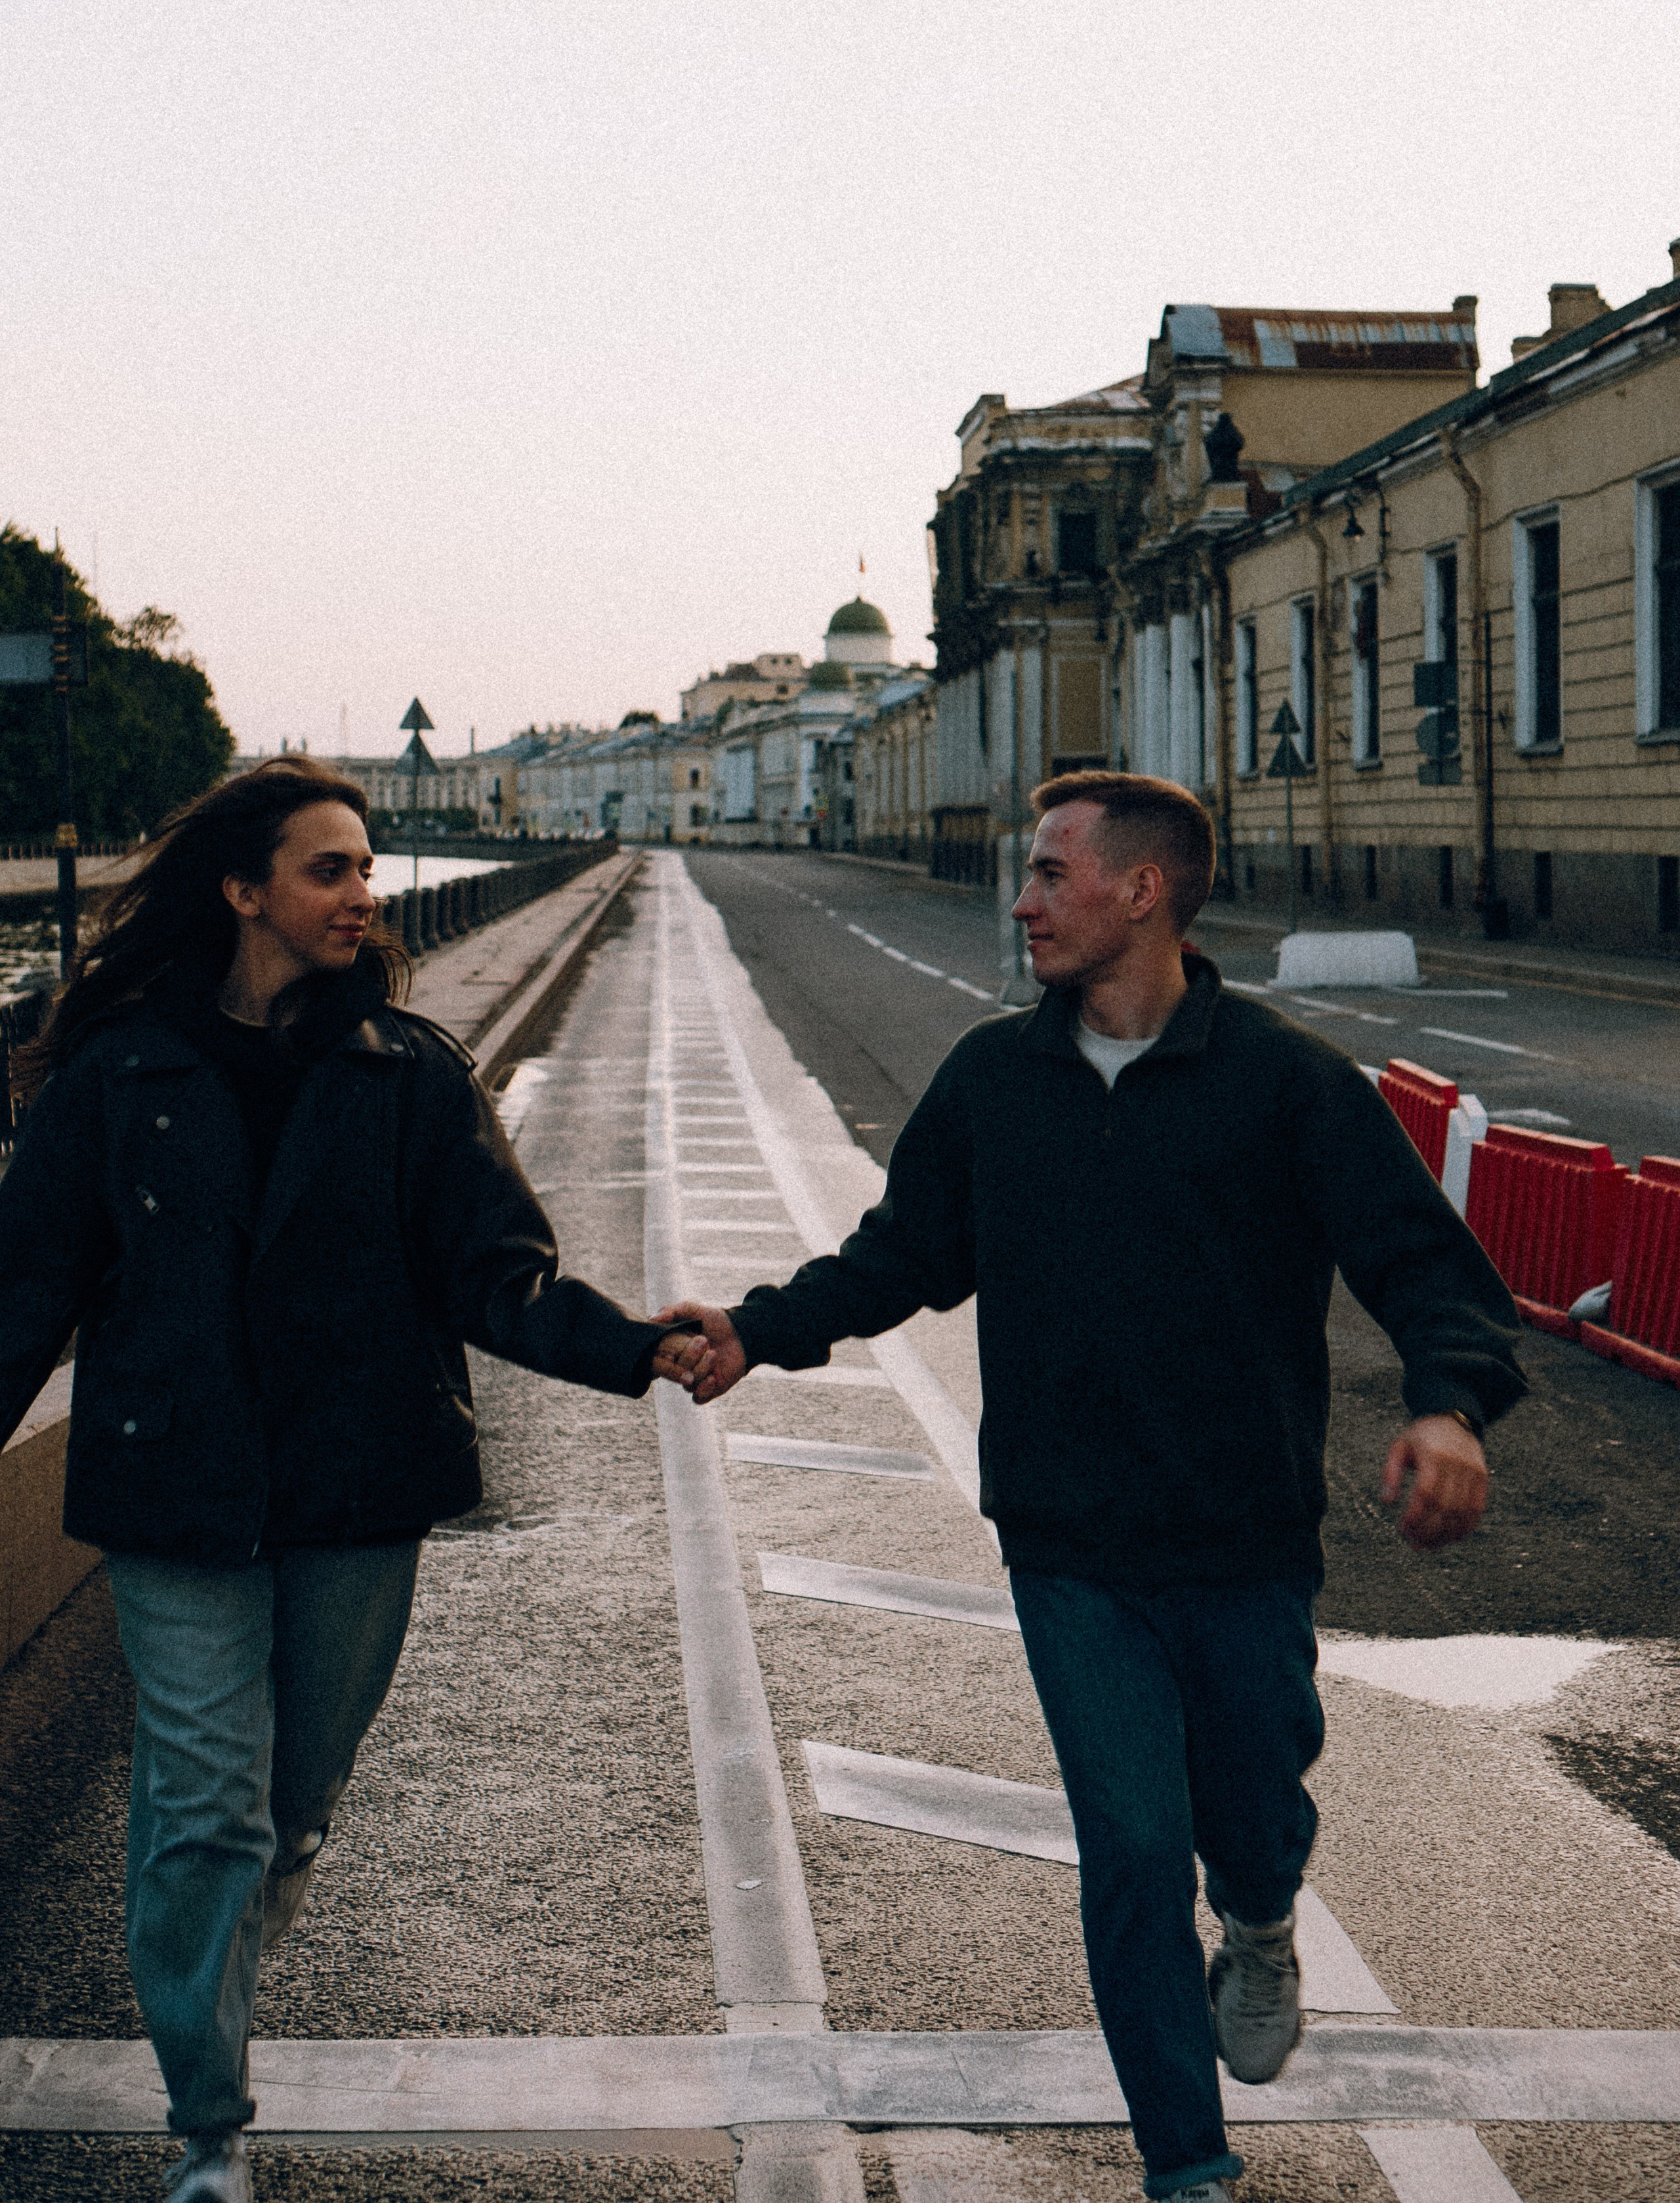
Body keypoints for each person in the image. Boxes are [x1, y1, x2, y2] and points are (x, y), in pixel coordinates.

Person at [662, 770, 1526, 2203]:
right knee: (1129, 1844)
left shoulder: (1284, 1083)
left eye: (1052, 873)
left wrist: (1449, 1409)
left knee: (1250, 1802)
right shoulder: (993, 1083)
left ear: (1143, 890)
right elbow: (899, 1259)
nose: (1023, 900)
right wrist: (759, 1329)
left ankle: (1256, 1921)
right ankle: (1184, 2164)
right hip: (1067, 1541)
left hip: (1242, 1533)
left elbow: (1426, 1271)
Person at [0, 761, 709, 2203]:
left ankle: (239, 1945)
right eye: (328, 869)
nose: (363, 896)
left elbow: (497, 1279)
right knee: (204, 1803)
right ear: (243, 890)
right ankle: (210, 2126)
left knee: (295, 1796)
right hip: (175, 1489)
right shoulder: (117, 1076)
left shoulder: (407, 1073)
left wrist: (638, 1350)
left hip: (354, 1486)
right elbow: (25, 1293)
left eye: (367, 868)